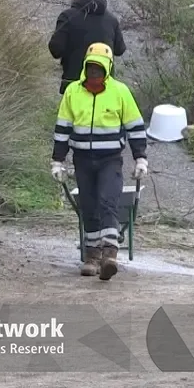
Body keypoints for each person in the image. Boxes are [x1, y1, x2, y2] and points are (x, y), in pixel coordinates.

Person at [50, 43, 148, 280]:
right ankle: (92, 256)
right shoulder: (73, 92)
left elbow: (135, 128)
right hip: (83, 159)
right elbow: (63, 129)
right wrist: (57, 161)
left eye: (99, 68)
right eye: (91, 67)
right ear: (85, 67)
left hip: (110, 160)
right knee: (89, 206)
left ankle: (110, 255)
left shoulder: (120, 92)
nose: (94, 72)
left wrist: (140, 158)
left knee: (108, 202)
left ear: (108, 68)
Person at [48, 0, 126, 95]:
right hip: (105, 85)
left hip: (74, 84)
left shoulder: (68, 16)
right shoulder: (112, 19)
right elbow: (120, 50)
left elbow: (55, 50)